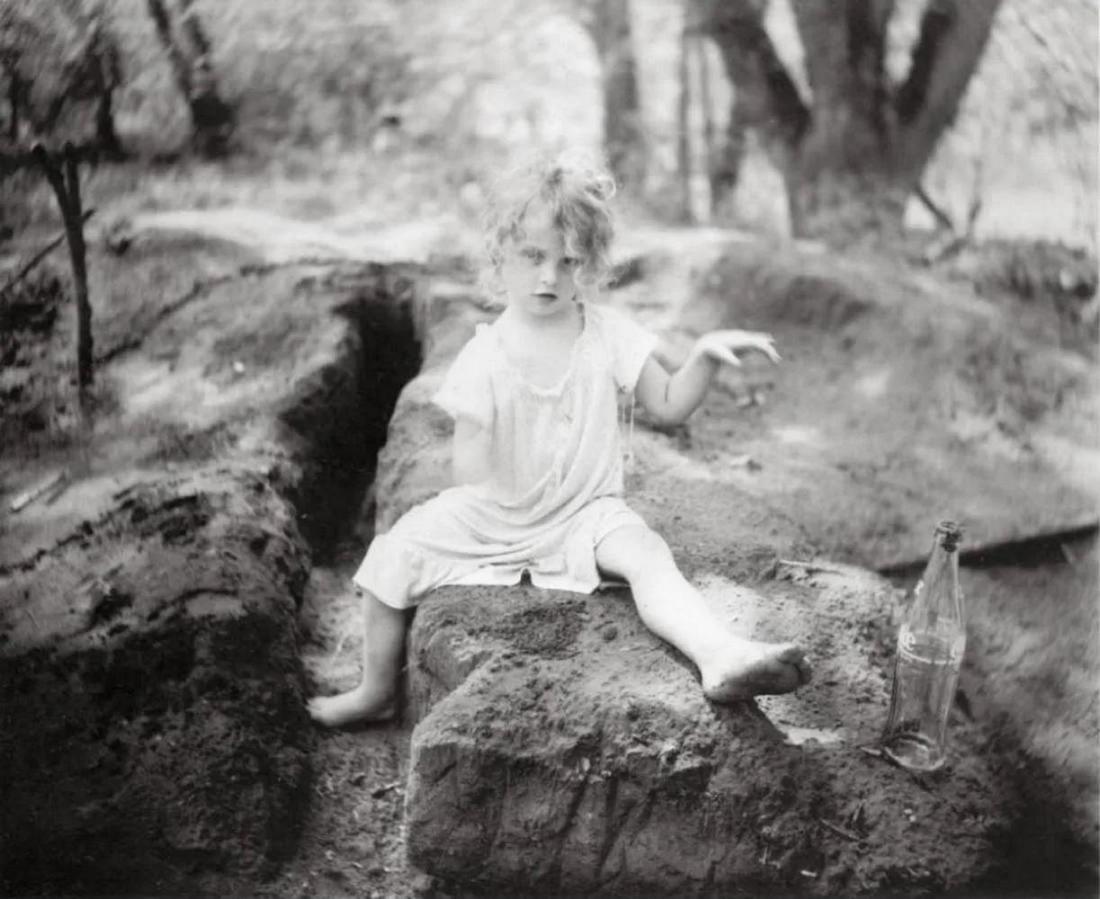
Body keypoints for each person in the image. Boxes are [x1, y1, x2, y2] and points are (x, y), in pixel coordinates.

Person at [309, 153, 811, 727]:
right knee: (389, 560)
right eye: (534, 257)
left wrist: (702, 358)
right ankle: (375, 691)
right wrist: (476, 437)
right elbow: (468, 473)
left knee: (648, 555)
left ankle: (720, 654)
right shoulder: (486, 354)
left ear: (592, 266)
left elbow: (668, 405)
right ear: (502, 257)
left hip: (586, 513)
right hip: (493, 517)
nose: (550, 276)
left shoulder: (608, 334)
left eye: (569, 262)